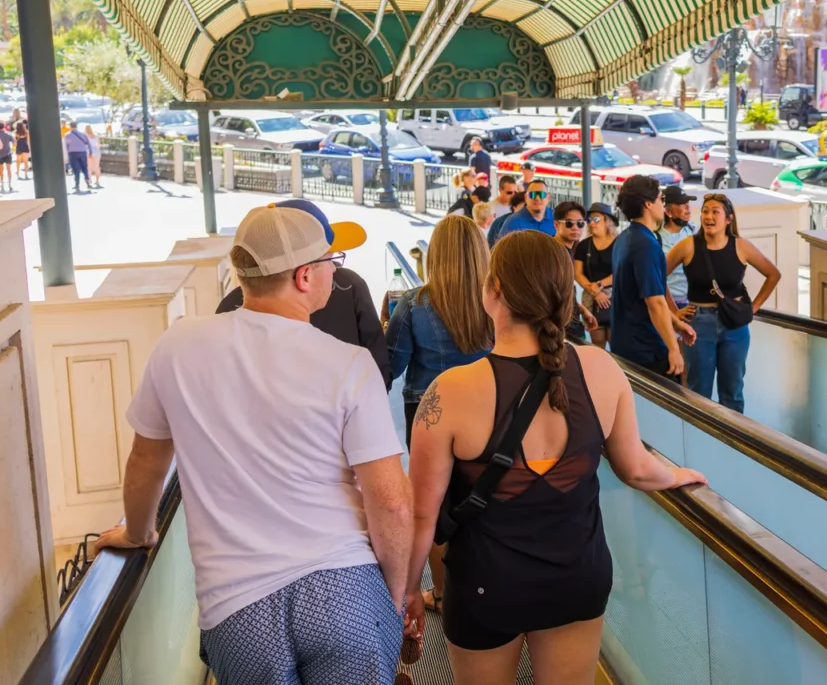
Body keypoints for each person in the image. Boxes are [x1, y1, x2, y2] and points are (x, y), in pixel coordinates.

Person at [96, 200, 413, 684]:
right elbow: (390, 502)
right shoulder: (348, 365)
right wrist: (392, 595)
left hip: (237, 607)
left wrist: (137, 535)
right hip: (345, 589)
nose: (334, 271)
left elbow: (145, 461)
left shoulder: (178, 346)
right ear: (305, 276)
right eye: (331, 262)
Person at [403, 230, 706, 684]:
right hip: (576, 579)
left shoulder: (449, 392)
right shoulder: (602, 369)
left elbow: (421, 517)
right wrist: (680, 473)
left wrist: (407, 591)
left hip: (486, 586)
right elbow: (637, 469)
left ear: (494, 291)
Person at [387, 216, 494, 620]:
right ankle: (486, 586)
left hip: (428, 413)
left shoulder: (414, 304)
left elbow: (391, 368)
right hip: (488, 408)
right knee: (485, 495)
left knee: (431, 506)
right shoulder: (497, 299)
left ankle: (444, 594)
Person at [216, 199, 388, 386]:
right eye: (329, 258)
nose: (333, 268)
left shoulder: (224, 312)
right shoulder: (349, 285)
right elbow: (378, 374)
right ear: (304, 276)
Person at [667, 193, 781, 413]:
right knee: (699, 391)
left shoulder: (741, 246)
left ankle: (732, 444)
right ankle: (699, 442)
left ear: (728, 219)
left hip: (734, 325)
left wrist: (752, 309)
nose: (708, 216)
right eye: (705, 211)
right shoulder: (688, 246)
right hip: (698, 324)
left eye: (715, 212)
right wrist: (674, 312)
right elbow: (657, 276)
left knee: (733, 391)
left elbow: (773, 274)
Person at [610, 175, 695, 377]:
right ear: (648, 204)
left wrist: (676, 323)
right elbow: (655, 302)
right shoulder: (645, 245)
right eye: (660, 199)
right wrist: (673, 348)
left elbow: (647, 289)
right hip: (646, 349)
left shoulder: (626, 237)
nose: (662, 205)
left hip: (624, 342)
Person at [552, 200, 599, 342]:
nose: (575, 228)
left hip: (572, 324)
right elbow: (550, 292)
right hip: (562, 330)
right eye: (569, 223)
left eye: (580, 223)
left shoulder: (569, 251)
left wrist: (581, 309)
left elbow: (565, 291)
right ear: (556, 224)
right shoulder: (554, 252)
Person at [574, 202, 618, 350]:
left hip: (615, 296)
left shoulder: (619, 243)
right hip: (591, 297)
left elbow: (620, 271)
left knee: (616, 342)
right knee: (597, 342)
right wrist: (595, 292)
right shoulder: (583, 245)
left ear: (607, 221)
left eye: (596, 219)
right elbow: (577, 273)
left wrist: (599, 286)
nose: (592, 223)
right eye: (589, 220)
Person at [658, 186, 697, 310]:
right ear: (667, 210)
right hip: (665, 303)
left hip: (692, 302)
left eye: (688, 203)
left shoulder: (695, 231)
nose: (688, 209)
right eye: (682, 204)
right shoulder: (655, 237)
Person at [64, 125, 92, 192]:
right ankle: (87, 180)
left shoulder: (67, 135)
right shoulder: (83, 134)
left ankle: (77, 184)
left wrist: (68, 152)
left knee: (76, 169)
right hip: (82, 152)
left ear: (70, 127)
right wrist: (90, 152)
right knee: (84, 167)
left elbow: (66, 145)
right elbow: (88, 143)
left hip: (73, 153)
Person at [0, 122, 13, 192]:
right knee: (8, 169)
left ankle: (2, 184)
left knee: (1, 170)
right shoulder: (8, 134)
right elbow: (14, 142)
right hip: (8, 153)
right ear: (3, 127)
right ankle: (9, 184)